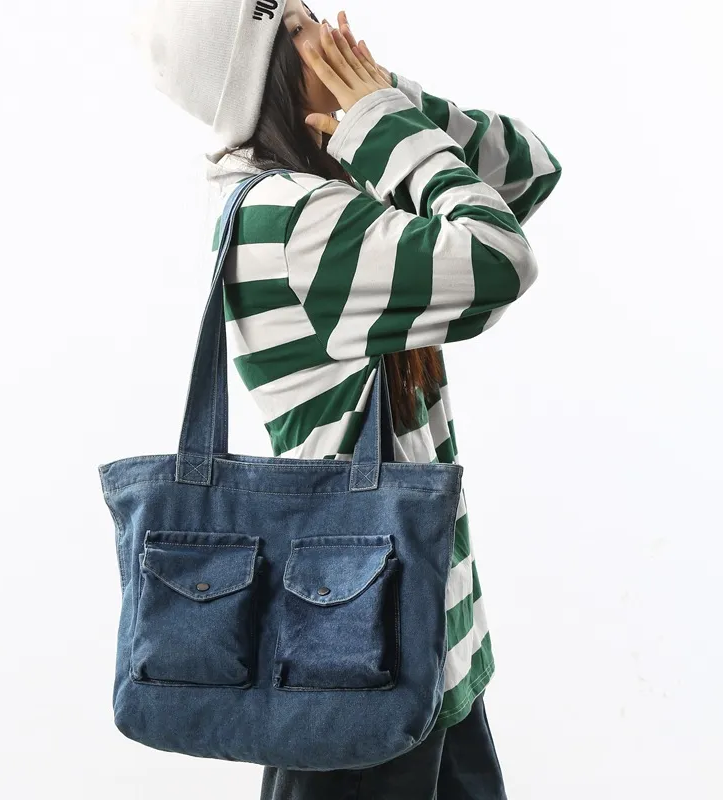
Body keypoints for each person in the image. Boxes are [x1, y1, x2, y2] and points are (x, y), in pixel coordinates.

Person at [133, 1, 562, 796]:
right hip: (352, 650)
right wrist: (381, 121)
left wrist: (382, 100)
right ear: (261, 75)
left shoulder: (328, 191)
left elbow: (529, 172)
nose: (332, 32)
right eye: (300, 27)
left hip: (422, 640)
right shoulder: (293, 219)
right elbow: (501, 259)